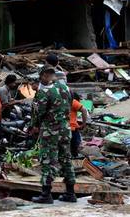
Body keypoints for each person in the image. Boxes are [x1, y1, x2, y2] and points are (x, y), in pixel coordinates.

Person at [31, 65, 76, 204]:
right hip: (66, 130)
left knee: (48, 160)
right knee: (66, 158)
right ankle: (70, 193)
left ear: (44, 76)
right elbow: (69, 105)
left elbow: (39, 112)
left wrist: (35, 126)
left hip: (51, 131)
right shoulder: (66, 89)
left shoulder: (44, 91)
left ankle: (46, 194)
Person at [70, 93, 88, 157]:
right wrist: (83, 124)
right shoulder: (73, 101)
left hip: (62, 128)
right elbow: (84, 110)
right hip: (72, 128)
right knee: (75, 147)